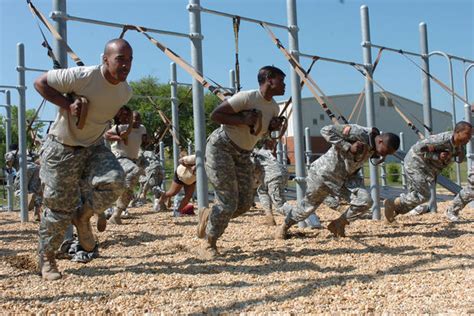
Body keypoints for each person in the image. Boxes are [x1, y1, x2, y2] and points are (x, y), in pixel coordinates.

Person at [33, 38, 133, 281]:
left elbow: (108, 110)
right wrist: (68, 105)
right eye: (120, 59)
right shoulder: (82, 76)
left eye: (129, 60)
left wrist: (122, 115)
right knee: (58, 209)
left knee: (116, 181)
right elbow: (40, 83)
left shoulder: (125, 91)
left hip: (93, 146)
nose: (125, 66)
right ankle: (47, 259)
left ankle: (83, 216)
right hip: (62, 148)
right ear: (105, 59)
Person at [197, 65, 286, 259]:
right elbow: (216, 115)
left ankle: (210, 217)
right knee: (228, 201)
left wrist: (271, 127)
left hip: (244, 153)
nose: (284, 85)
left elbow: (258, 132)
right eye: (281, 80)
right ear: (269, 79)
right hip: (221, 147)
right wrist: (242, 118)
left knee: (245, 203)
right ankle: (208, 244)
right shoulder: (246, 97)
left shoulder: (274, 107)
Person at [276, 124, 400, 239]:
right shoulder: (358, 132)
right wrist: (348, 146)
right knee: (308, 206)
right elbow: (326, 130)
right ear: (380, 141)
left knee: (365, 201)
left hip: (347, 178)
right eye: (386, 151)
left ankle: (338, 224)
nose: (385, 155)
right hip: (324, 174)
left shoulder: (375, 146)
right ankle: (284, 227)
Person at [384, 121, 472, 222]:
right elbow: (419, 150)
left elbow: (459, 160)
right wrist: (437, 156)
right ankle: (392, 202)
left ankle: (393, 211)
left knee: (414, 197)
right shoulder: (441, 140)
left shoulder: (459, 145)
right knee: (423, 195)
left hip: (427, 168)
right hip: (416, 163)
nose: (469, 138)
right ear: (457, 132)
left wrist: (458, 153)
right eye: (467, 134)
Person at [106, 110, 147, 224]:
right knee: (135, 171)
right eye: (135, 119)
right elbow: (107, 135)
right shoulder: (121, 127)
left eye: (139, 119)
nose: (137, 121)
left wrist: (146, 140)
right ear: (130, 119)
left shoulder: (142, 128)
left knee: (128, 191)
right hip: (119, 157)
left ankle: (116, 215)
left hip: (133, 159)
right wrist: (119, 138)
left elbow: (144, 141)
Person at [251, 138, 291, 226]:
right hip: (280, 173)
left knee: (280, 206)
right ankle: (269, 217)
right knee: (262, 190)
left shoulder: (251, 153)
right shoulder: (263, 152)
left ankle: (307, 216)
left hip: (273, 176)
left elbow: (252, 165)